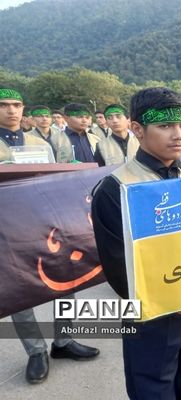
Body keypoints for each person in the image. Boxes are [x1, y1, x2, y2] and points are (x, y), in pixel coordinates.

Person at [92, 87, 181, 399]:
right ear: (137, 129)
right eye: (165, 126)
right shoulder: (117, 189)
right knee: (153, 389)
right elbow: (121, 271)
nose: (178, 135)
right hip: (152, 318)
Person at [0, 88, 99, 385]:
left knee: (64, 276)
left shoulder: (40, 142)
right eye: (3, 105)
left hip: (44, 222)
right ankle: (36, 351)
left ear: (23, 108)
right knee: (21, 290)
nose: (11, 110)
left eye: (16, 105)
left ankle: (64, 341)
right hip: (8, 228)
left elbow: (59, 177)